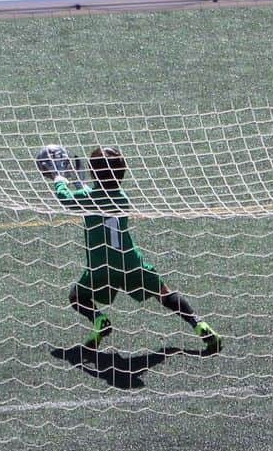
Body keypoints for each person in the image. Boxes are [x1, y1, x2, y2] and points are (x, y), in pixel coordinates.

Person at [38, 144, 222, 354]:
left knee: (76, 297)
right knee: (164, 294)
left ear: (92, 172)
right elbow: (96, 196)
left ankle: (99, 319)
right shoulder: (122, 198)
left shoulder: (87, 198)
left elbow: (67, 199)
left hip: (101, 267)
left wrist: (59, 180)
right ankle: (199, 325)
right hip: (131, 263)